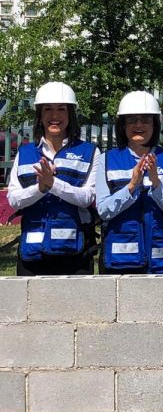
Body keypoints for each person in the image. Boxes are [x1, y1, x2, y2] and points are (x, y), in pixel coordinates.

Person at [7, 82, 99, 276]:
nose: (54, 116)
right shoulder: (25, 152)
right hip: (32, 254)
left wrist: (53, 184)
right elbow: (14, 200)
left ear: (71, 114)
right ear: (40, 115)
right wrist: (40, 188)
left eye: (61, 109)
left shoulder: (90, 152)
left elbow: (87, 197)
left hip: (76, 253)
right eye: (48, 109)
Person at [96, 91, 163, 274]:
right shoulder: (107, 160)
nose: (138, 125)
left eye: (145, 119)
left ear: (155, 124)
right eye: (132, 120)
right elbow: (103, 211)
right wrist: (131, 186)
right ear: (122, 125)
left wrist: (156, 183)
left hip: (162, 262)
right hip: (120, 262)